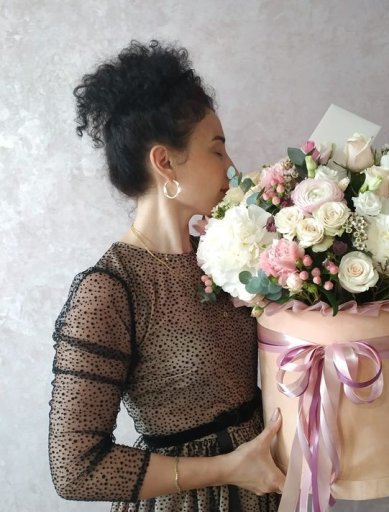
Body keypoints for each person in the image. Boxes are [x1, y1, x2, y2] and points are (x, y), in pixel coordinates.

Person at [48, 40, 284, 512]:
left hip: (266, 488)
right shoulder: (109, 290)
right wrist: (228, 468)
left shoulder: (221, 258)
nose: (233, 170)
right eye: (217, 151)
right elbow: (75, 468)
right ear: (165, 162)